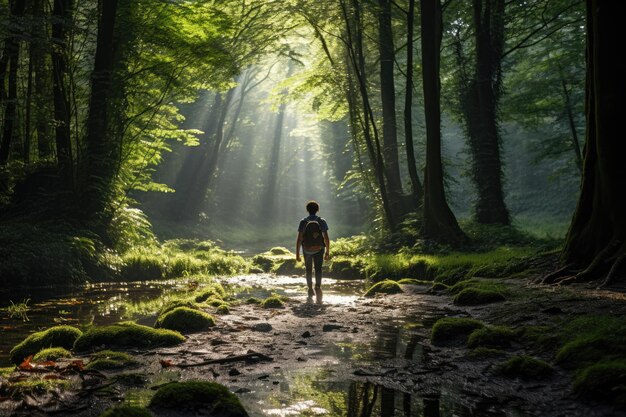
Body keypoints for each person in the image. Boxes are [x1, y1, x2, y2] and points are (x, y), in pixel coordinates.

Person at [296, 200, 330, 298]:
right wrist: (327, 251)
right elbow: (326, 238)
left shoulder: (303, 222)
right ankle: (318, 286)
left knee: (308, 269)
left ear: (307, 210)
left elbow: (299, 239)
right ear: (317, 210)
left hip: (306, 249)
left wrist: (297, 255)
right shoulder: (321, 221)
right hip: (319, 249)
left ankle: (310, 288)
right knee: (318, 269)